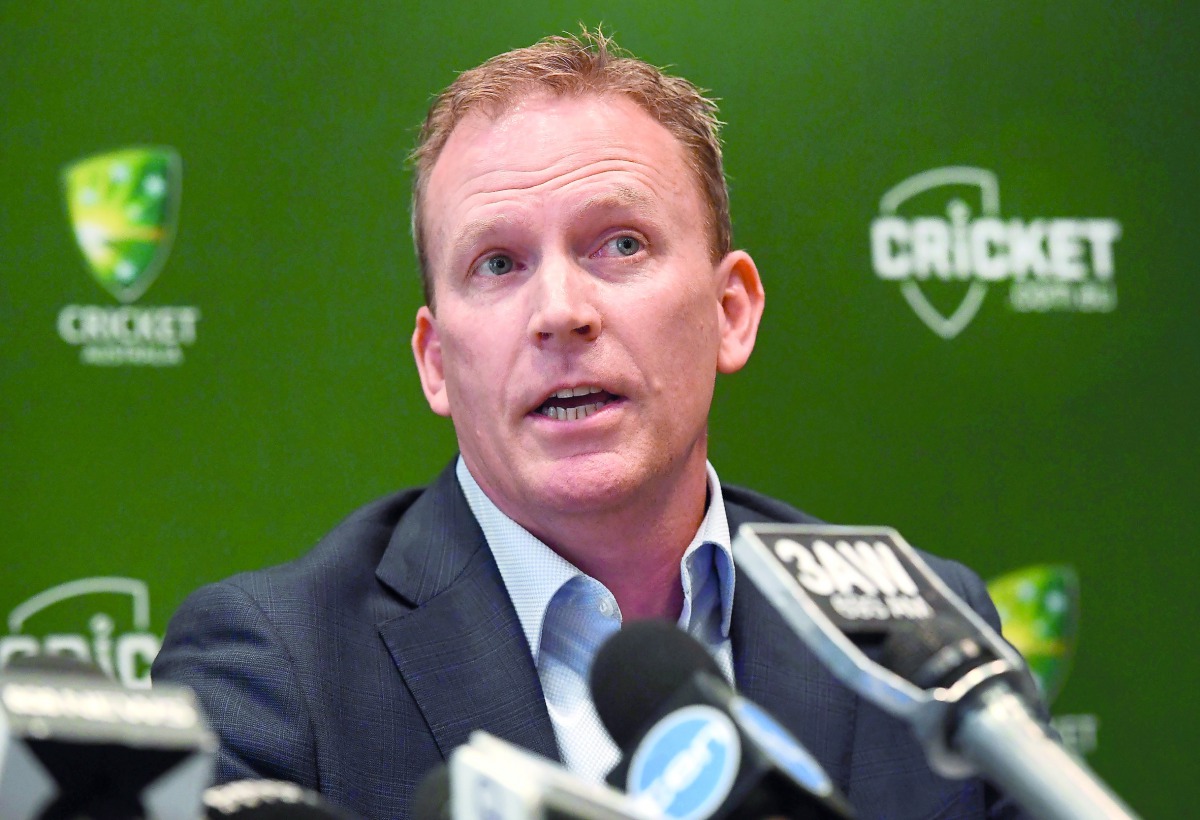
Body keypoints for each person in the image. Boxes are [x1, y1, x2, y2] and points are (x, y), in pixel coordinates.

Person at [154, 29, 1025, 819]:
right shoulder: (278, 667)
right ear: (435, 361)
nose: (561, 313)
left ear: (730, 312)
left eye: (621, 245)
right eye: (498, 263)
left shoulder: (924, 637)